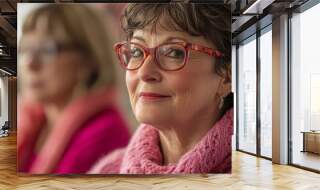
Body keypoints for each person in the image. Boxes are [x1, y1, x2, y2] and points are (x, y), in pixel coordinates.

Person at [89, 3, 233, 174]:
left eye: (173, 52)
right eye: (136, 52)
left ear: (227, 77)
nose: (144, 72)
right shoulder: (106, 171)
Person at [17, 4, 131, 174]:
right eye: (25, 49)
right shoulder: (34, 125)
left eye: (47, 50)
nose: (30, 63)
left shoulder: (105, 133)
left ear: (88, 60)